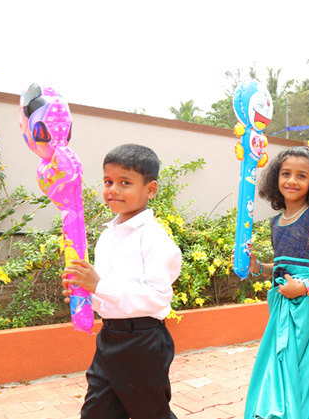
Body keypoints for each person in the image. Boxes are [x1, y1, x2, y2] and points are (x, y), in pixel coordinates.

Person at [62, 144, 182, 419]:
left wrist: (98, 285)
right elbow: (109, 292)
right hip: (109, 338)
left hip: (143, 341)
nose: (112, 190)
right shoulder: (108, 235)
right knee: (96, 413)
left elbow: (157, 297)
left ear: (150, 189)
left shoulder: (155, 239)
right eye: (108, 181)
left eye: (124, 183)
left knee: (150, 413)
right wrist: (84, 292)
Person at [243, 146, 309, 419]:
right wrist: (257, 268)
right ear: (276, 178)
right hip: (281, 304)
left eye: (302, 176)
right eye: (286, 173)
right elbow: (281, 267)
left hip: (307, 305)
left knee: (301, 367)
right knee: (279, 363)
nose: (292, 181)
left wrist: (305, 286)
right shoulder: (276, 222)